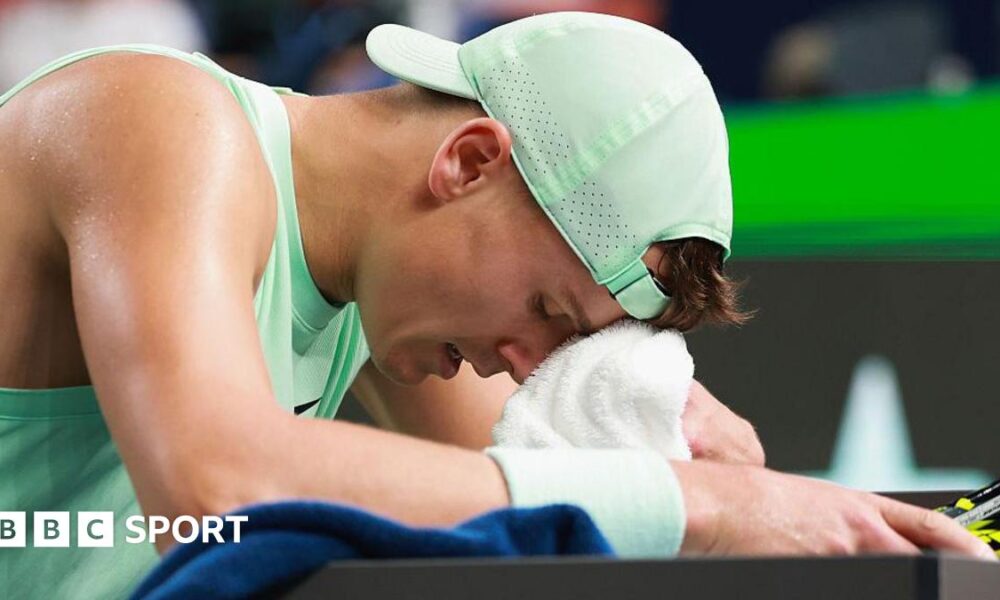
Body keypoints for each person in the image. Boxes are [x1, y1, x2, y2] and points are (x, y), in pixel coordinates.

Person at [0, 11, 992, 599]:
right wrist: (700, 504)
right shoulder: (156, 115)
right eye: (551, 314)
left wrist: (697, 467)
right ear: (468, 163)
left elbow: (524, 505)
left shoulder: (386, 292)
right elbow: (217, 489)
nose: (527, 363)